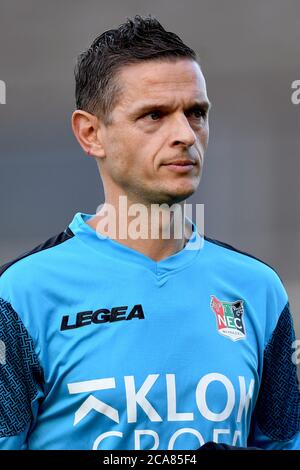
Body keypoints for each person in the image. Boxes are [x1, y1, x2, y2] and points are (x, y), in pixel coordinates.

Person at [0, 15, 299, 451]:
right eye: (154, 115)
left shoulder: (258, 290)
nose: (185, 135)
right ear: (90, 133)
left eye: (196, 113)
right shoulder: (20, 295)